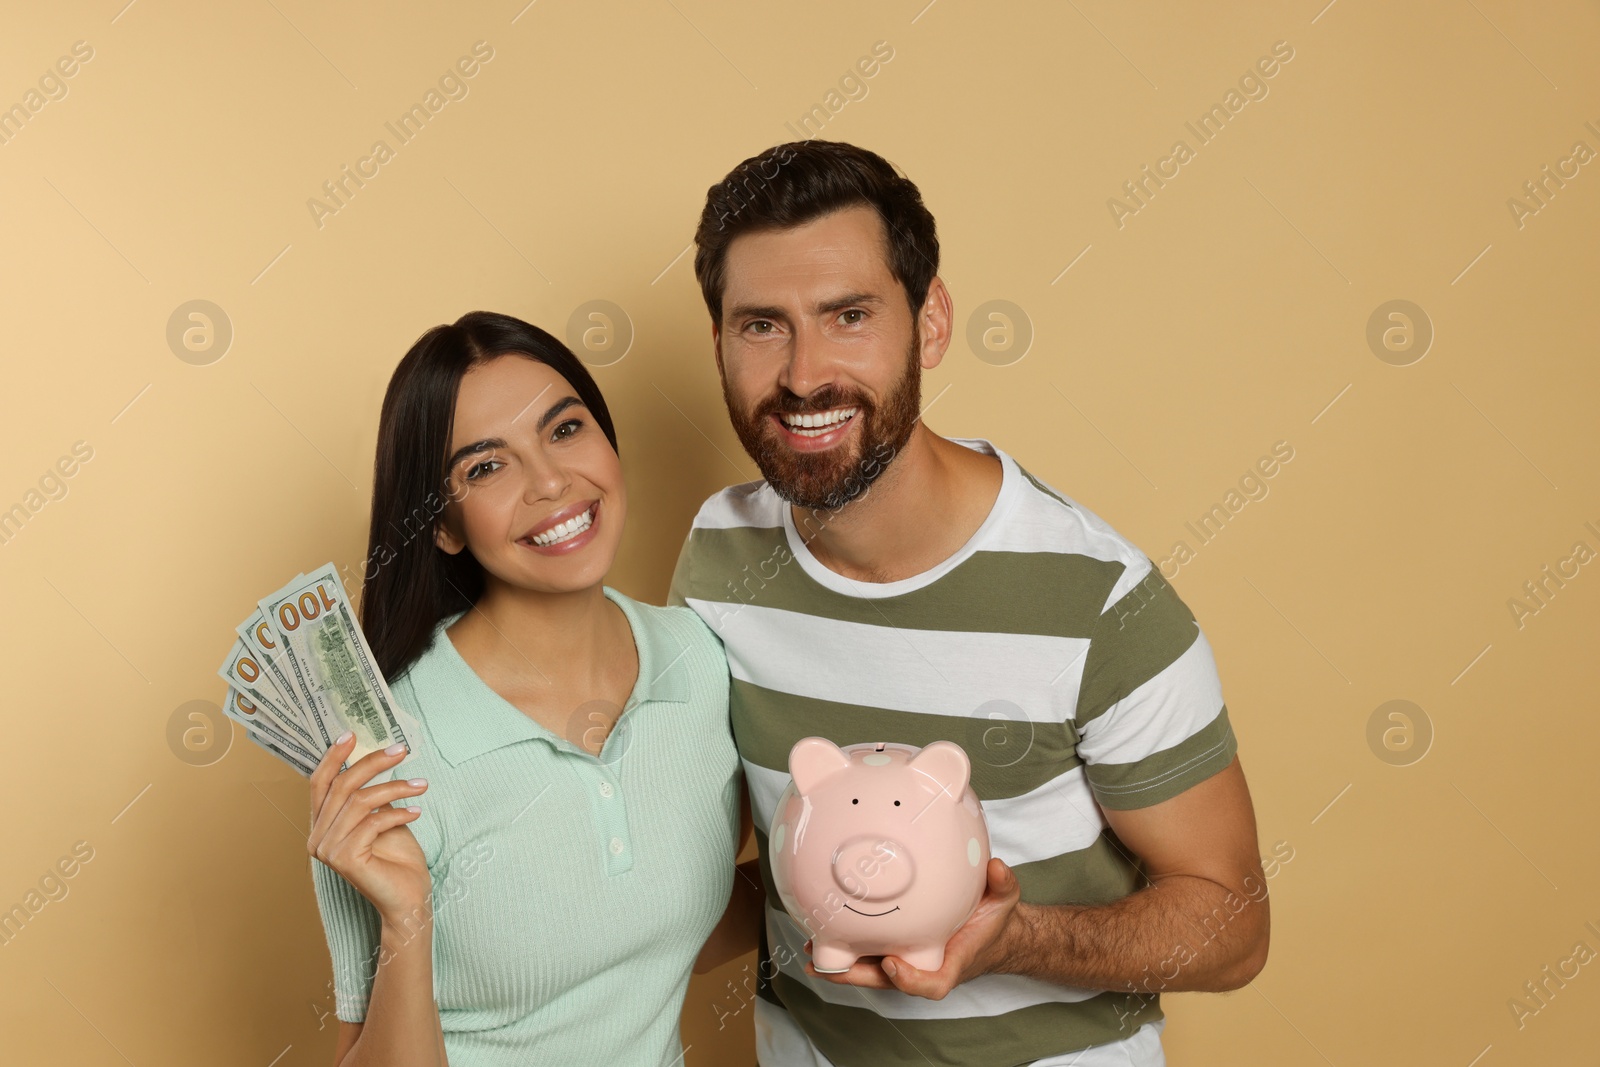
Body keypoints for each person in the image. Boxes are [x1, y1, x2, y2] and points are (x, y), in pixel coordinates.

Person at [667, 141, 1270, 1066]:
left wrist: (1014, 939)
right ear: (719, 344)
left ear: (933, 321)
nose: (802, 374)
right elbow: (743, 874)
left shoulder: (1100, 598)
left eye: (849, 314)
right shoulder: (719, 554)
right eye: (761, 325)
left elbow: (1231, 925)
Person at [305, 311, 761, 1066]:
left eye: (565, 429)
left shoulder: (700, 664)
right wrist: (406, 918)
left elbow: (660, 924)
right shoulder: (387, 752)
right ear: (443, 525)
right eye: (487, 466)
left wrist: (859, 894)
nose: (551, 481)